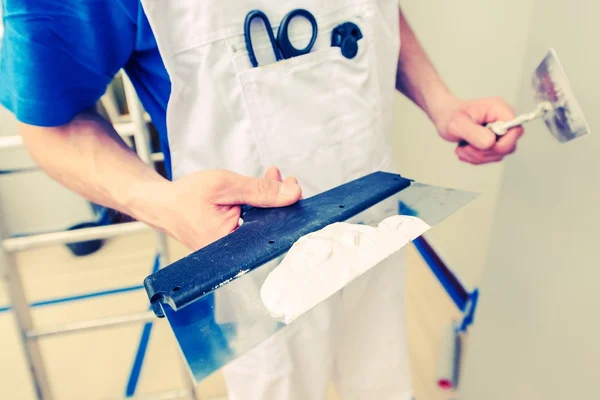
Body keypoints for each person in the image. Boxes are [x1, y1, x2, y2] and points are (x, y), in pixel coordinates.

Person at [0, 1, 524, 399]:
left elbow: (368, 16)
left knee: (379, 376)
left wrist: (439, 101)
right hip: (251, 265)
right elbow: (52, 122)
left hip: (375, 223)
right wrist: (158, 201)